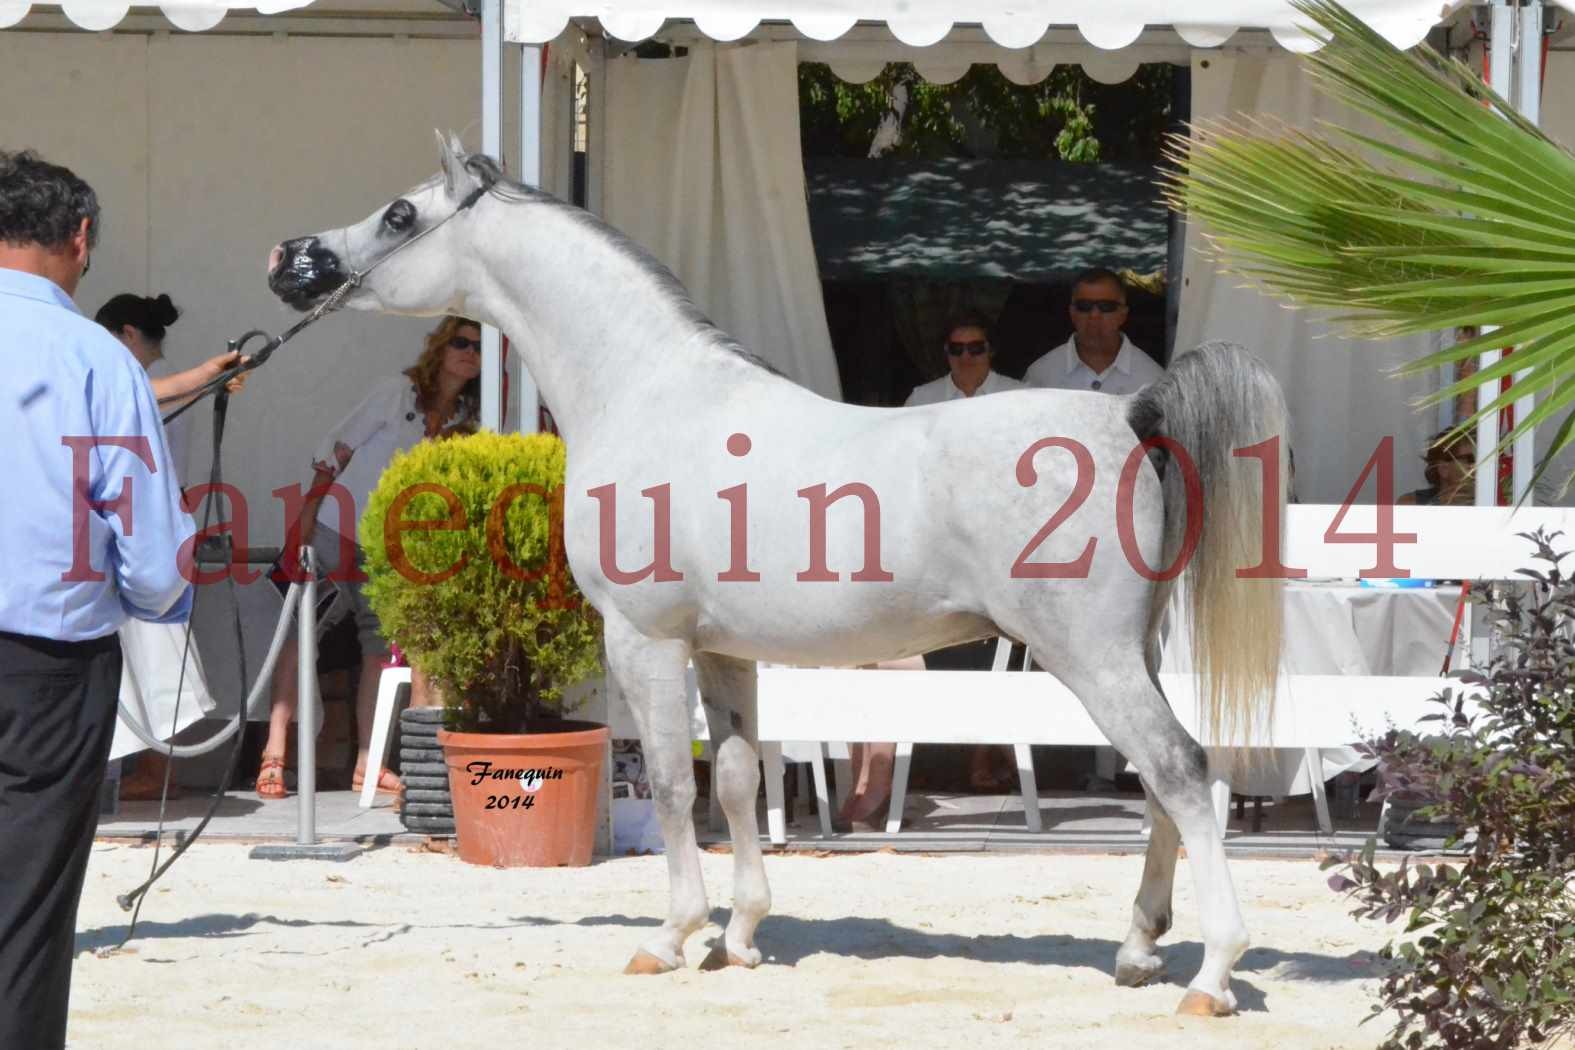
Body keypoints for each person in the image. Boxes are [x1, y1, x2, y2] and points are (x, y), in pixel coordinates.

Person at [0, 149, 195, 1050]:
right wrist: (159, 608)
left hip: (49, 650)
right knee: (27, 905)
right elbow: (152, 552)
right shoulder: (97, 357)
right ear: (79, 239)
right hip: (48, 660)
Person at [253, 316, 482, 799]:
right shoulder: (396, 391)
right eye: (461, 342)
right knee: (299, 635)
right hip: (339, 524)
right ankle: (274, 754)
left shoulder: (470, 417)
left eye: (479, 349)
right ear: (441, 347)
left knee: (379, 649)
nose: (469, 353)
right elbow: (335, 449)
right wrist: (305, 519)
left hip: (394, 543)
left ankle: (368, 763)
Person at [95, 293, 248, 801]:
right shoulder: (147, 382)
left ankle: (157, 773)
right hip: (147, 519)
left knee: (156, 654)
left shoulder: (144, 384)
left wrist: (208, 373)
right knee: (148, 653)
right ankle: (141, 771)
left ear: (127, 334)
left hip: (141, 521)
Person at [1024, 267, 1166, 395]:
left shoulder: (1153, 380)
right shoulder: (1041, 375)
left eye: (1106, 306)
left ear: (1123, 314)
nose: (1094, 315)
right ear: (1072, 312)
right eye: (1084, 306)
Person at [904, 312, 1024, 405]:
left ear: (990, 349)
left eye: (975, 348)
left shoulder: (1021, 396)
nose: (965, 356)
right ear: (946, 350)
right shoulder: (921, 400)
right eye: (956, 348)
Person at [1398, 429, 1475, 506]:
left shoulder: (1485, 502)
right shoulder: (1411, 504)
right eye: (1470, 459)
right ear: (1443, 469)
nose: (1476, 466)